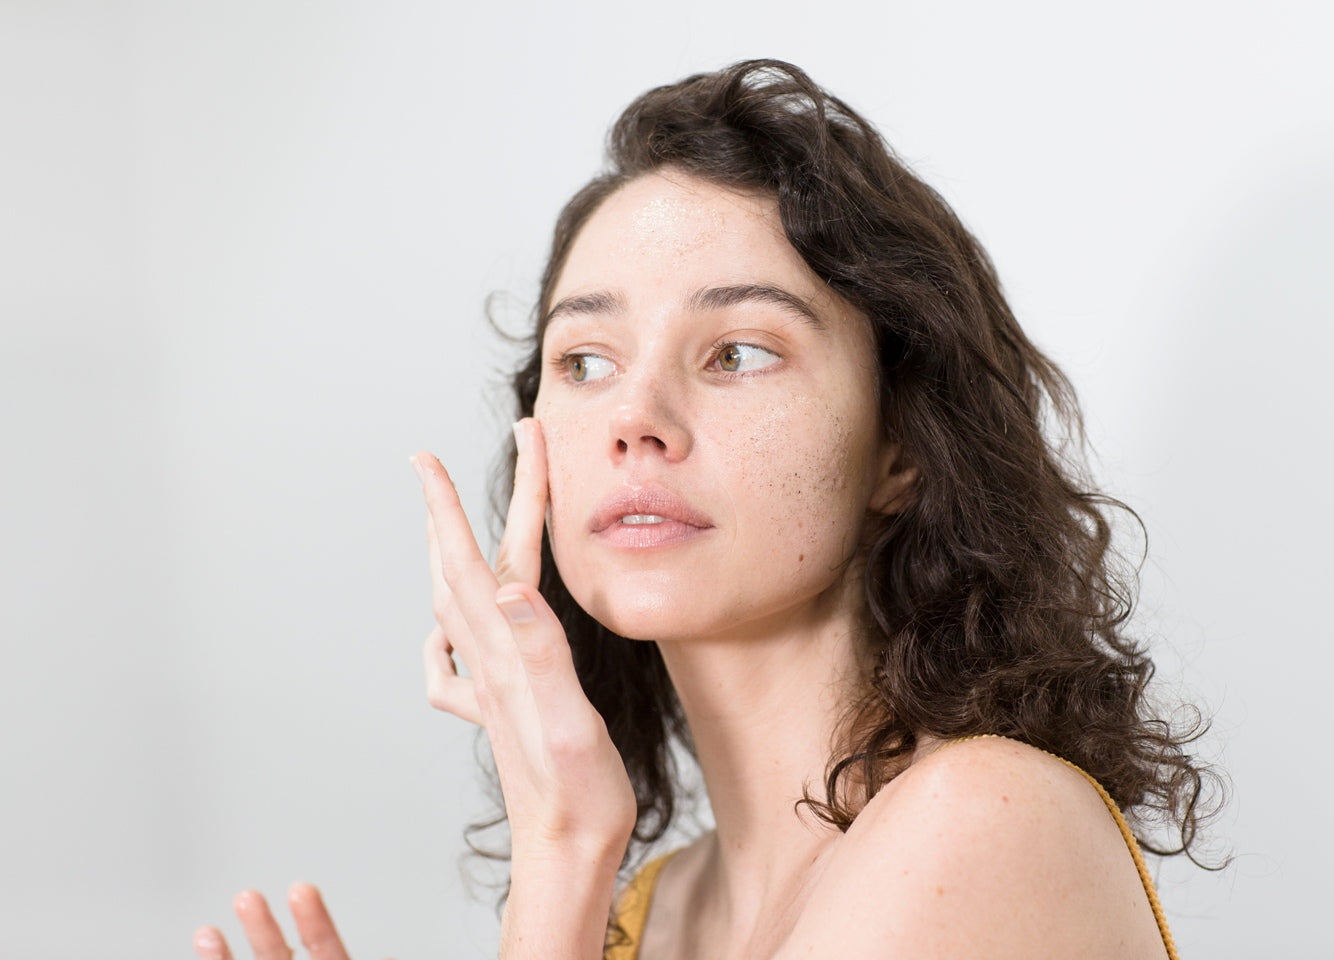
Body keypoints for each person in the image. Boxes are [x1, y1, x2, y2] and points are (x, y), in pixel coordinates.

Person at [192, 59, 1217, 960]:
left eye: (737, 353)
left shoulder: (986, 821)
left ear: (900, 449)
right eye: (585, 361)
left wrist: (560, 850)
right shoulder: (649, 909)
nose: (635, 419)